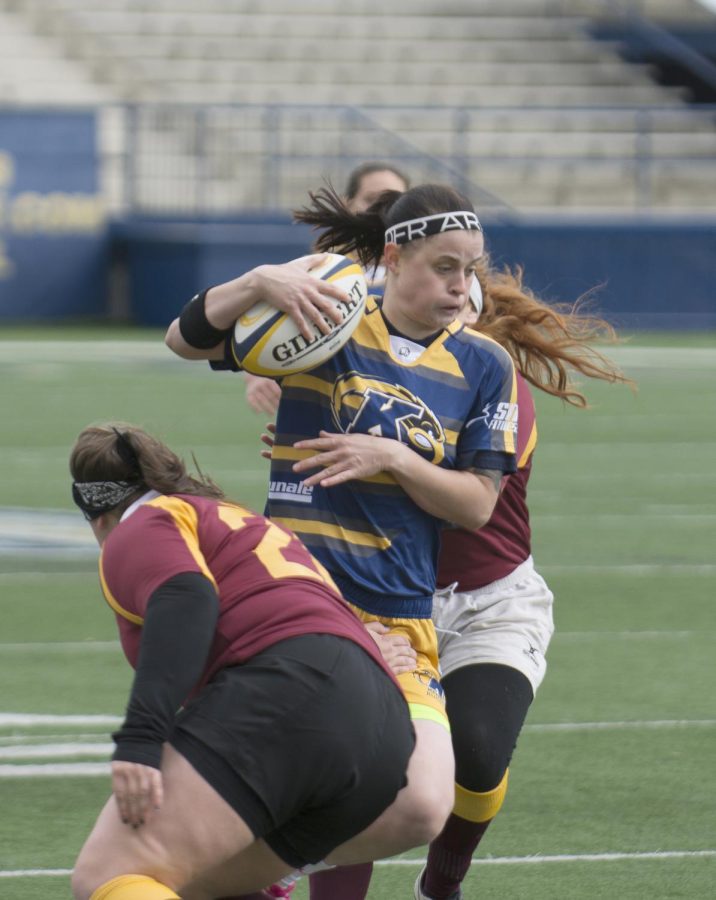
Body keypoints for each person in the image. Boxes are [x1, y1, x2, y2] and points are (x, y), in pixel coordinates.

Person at [164, 182, 521, 890]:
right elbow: (184, 340)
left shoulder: (486, 366)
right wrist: (260, 281)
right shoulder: (326, 318)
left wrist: (392, 457)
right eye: (444, 266)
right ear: (394, 255)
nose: (461, 285)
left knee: (421, 800)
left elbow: (478, 506)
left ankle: (254, 875)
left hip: (397, 616)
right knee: (251, 792)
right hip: (292, 606)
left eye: (470, 268)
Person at [68, 423, 416, 900]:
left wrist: (141, 738)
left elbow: (187, 596)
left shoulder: (142, 526)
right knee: (204, 882)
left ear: (96, 513)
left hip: (293, 693)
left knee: (108, 874)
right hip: (382, 730)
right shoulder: (233, 518)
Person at [412, 264, 632, 900]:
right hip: (384, 600)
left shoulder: (497, 382)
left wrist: (384, 458)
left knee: (478, 756)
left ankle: (441, 883)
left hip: (490, 602)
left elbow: (470, 505)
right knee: (342, 763)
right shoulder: (360, 378)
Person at [243, 161, 410, 417]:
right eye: (372, 199)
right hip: (325, 415)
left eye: (395, 201)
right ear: (348, 203)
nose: (382, 210)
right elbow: (261, 326)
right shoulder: (318, 273)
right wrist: (257, 372)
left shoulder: (425, 280)